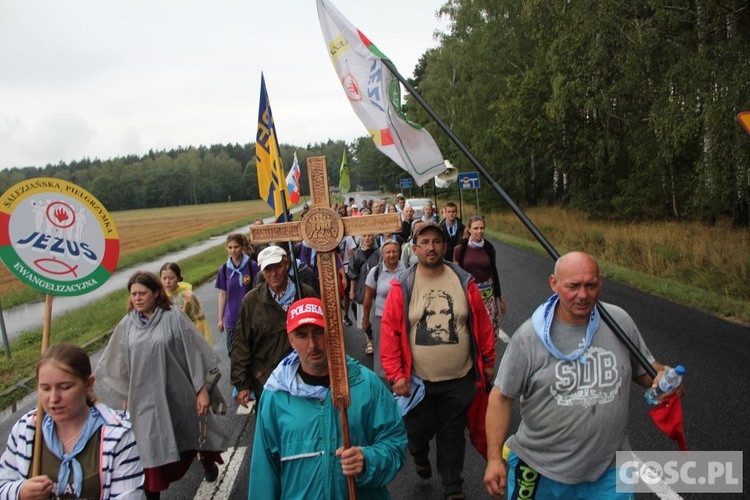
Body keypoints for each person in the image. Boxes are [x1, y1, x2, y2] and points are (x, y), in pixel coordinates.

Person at [483, 251, 683, 499]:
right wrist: (493, 458)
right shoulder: (529, 335)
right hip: (539, 468)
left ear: (600, 282)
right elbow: (502, 396)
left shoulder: (619, 321)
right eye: (573, 286)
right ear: (554, 284)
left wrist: (665, 377)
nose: (583, 295)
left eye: (591, 285)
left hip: (610, 469)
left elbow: (646, 370)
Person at [380, 222, 496, 500]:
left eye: (436, 241)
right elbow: (390, 332)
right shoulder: (403, 285)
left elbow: (481, 324)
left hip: (459, 379)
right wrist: (396, 374)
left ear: (444, 247)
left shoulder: (462, 280)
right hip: (418, 383)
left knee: (452, 434)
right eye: (424, 242)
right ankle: (419, 455)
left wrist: (488, 360)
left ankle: (452, 487)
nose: (430, 247)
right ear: (415, 248)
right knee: (417, 432)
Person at [249, 298, 407, 499]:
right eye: (302, 335)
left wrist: (368, 461)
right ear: (290, 339)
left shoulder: (366, 384)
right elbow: (264, 474)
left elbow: (395, 441)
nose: (312, 345)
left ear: (333, 332)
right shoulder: (275, 397)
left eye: (319, 332)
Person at [95, 272, 228, 499]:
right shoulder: (127, 325)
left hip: (177, 391)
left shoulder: (173, 316)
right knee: (148, 450)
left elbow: (194, 352)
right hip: (144, 400)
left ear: (156, 293)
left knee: (192, 433)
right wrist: (127, 398)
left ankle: (207, 463)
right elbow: (122, 363)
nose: (137, 298)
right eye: (133, 294)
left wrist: (201, 390)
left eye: (142, 293)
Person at [0, 344, 144, 499]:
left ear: (88, 384)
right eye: (45, 388)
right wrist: (20, 492)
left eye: (65, 387)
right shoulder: (26, 430)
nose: (53, 398)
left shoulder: (119, 439)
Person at [231, 245, 317, 407]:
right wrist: (242, 384)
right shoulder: (251, 301)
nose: (274, 274)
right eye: (268, 269)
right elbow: (241, 344)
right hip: (266, 381)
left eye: (277, 267)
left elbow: (321, 333)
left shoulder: (306, 294)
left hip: (304, 378)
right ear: (262, 272)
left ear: (287, 265)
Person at [453, 215, 508, 343]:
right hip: (468, 294)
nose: (479, 231)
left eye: (482, 228)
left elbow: (493, 272)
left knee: (487, 330)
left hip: (488, 296)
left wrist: (499, 296)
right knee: (471, 329)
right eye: (476, 228)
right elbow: (455, 274)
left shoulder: (489, 248)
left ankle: (487, 358)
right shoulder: (460, 249)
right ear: (469, 229)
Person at [362, 238, 405, 378]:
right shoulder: (376, 272)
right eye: (388, 252)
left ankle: (403, 376)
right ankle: (384, 379)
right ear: (382, 254)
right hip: (382, 317)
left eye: (394, 251)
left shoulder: (408, 270)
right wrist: (366, 320)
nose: (391, 255)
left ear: (399, 253)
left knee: (404, 348)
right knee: (383, 349)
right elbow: (368, 298)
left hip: (403, 317)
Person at [215, 233, 259, 355]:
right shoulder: (224, 269)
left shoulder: (252, 266)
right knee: (233, 353)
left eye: (236, 247)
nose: (233, 250)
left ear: (242, 247)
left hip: (249, 316)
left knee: (251, 351)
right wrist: (220, 319)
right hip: (231, 319)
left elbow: (258, 290)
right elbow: (223, 294)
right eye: (230, 247)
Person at [160, 262, 213, 346]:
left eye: (171, 278)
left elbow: (199, 320)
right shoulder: (158, 298)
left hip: (187, 340)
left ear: (178, 278)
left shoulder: (188, 296)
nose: (167, 282)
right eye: (164, 278)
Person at [347, 234, 381, 354]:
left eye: (370, 236)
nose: (368, 238)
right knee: (365, 316)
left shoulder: (378, 253)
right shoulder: (357, 254)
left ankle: (379, 339)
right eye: (365, 236)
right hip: (362, 288)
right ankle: (369, 341)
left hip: (377, 288)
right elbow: (352, 273)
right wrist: (351, 290)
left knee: (378, 315)